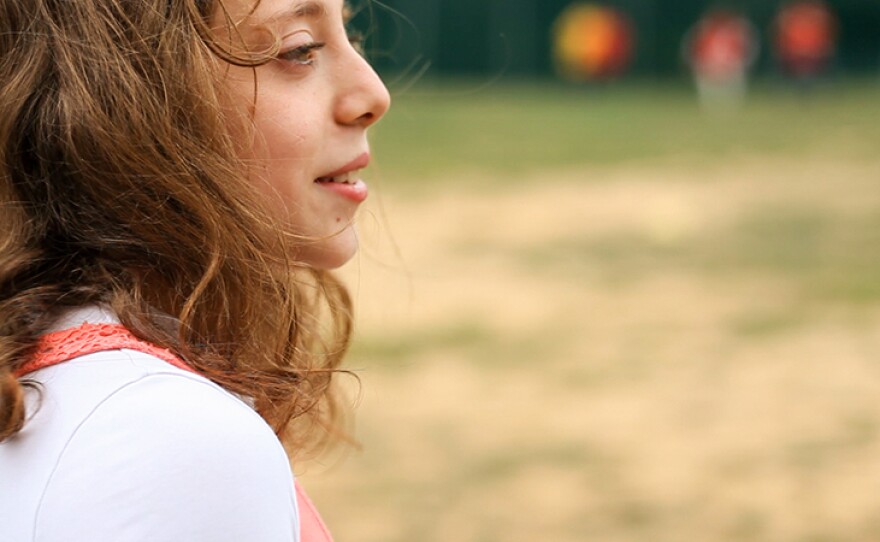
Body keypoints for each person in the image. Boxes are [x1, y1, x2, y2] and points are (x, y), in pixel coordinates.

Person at [0, 0, 390, 540]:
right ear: (126, 100)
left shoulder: (39, 363)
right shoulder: (162, 435)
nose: (373, 94)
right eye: (299, 50)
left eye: (351, 35)